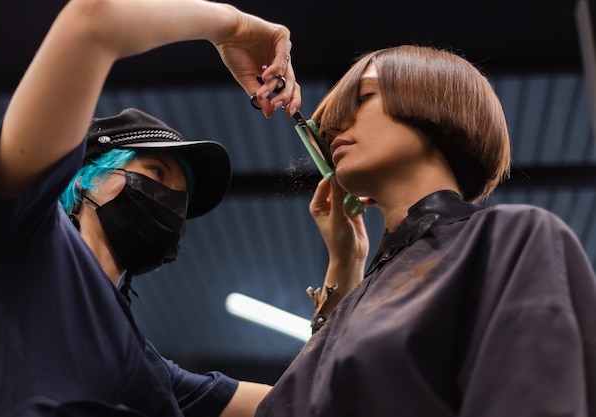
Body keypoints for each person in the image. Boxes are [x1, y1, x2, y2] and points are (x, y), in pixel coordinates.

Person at [0, 0, 301, 416]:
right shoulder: (25, 234)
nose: (172, 204)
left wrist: (345, 262)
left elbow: (304, 403)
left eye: (182, 199)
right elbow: (92, 18)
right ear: (87, 174)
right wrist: (234, 27)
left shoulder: (147, 368)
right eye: (157, 172)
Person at [255, 45, 596, 416]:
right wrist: (343, 266)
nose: (335, 126)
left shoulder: (512, 240)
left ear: (435, 105)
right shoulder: (356, 299)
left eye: (365, 96)